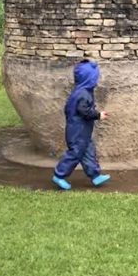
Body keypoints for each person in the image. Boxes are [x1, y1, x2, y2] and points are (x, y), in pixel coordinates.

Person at [52, 58, 111, 190]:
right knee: (75, 153)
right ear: (90, 79)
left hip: (82, 131)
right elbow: (84, 111)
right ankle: (59, 175)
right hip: (77, 132)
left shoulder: (80, 91)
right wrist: (98, 115)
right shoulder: (83, 94)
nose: (97, 80)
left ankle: (95, 176)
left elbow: (68, 108)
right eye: (95, 77)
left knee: (88, 151)